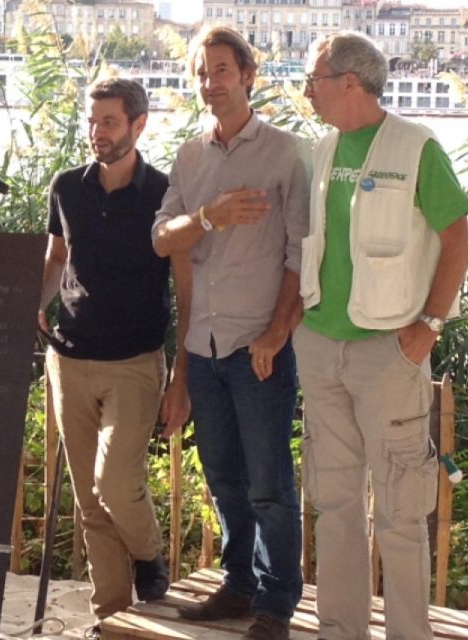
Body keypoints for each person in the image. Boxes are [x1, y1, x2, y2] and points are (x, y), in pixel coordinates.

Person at [295, 31, 468, 640]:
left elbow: (459, 241)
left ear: (349, 82)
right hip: (321, 347)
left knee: (400, 510)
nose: (307, 91)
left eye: (314, 79)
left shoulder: (417, 147)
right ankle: (340, 631)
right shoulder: (319, 151)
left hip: (389, 351)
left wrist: (428, 328)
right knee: (335, 504)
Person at [151, 26, 309, 640]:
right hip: (203, 346)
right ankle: (239, 583)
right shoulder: (189, 157)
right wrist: (209, 217)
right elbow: (163, 239)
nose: (210, 83)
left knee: (269, 483)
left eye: (221, 70)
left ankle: (275, 603)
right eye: (201, 72)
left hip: (256, 348)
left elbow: (301, 255)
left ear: (248, 74)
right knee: (222, 476)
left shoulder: (287, 153)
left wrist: (275, 334)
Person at [38, 77, 191, 640]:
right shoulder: (66, 187)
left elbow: (184, 284)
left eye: (109, 121)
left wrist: (181, 373)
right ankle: (112, 618)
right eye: (91, 120)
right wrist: (34, 302)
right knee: (88, 502)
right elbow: (57, 258)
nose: (96, 132)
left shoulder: (165, 194)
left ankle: (150, 556)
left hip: (135, 360)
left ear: (138, 124)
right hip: (69, 358)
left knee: (115, 483)